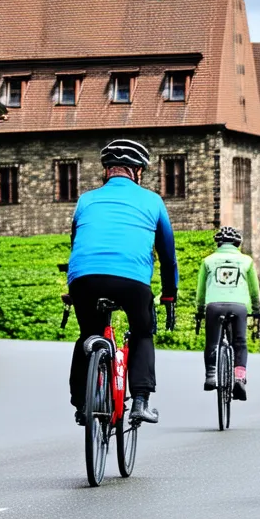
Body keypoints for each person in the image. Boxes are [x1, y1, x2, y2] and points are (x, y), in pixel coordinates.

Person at [66, 139, 177, 425]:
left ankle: (82, 404)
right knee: (141, 333)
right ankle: (140, 400)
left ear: (107, 171)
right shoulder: (153, 200)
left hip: (85, 279)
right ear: (138, 171)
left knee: (87, 334)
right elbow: (167, 254)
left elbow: (76, 242)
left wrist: (74, 288)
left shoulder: (85, 200)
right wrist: (168, 295)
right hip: (132, 281)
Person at [195, 226, 260, 400]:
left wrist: (199, 311)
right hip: (239, 307)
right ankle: (239, 377)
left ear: (218, 243)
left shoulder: (208, 261)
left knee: (211, 341)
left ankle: (211, 375)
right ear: (237, 244)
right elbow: (254, 290)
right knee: (240, 343)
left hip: (214, 306)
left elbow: (201, 291)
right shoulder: (246, 261)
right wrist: (257, 311)